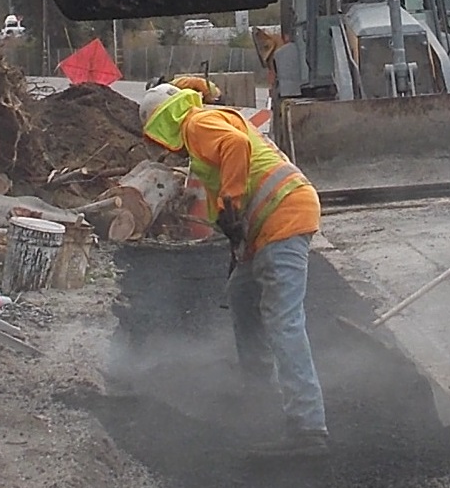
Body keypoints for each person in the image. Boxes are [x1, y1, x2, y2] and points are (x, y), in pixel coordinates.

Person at [138, 82, 328, 457]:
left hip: (283, 215)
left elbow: (236, 149)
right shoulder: (205, 124)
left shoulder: (197, 123)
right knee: (242, 295)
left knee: (283, 318)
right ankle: (259, 392)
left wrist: (232, 202)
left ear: (162, 124)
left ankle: (308, 427)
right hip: (269, 222)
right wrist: (235, 235)